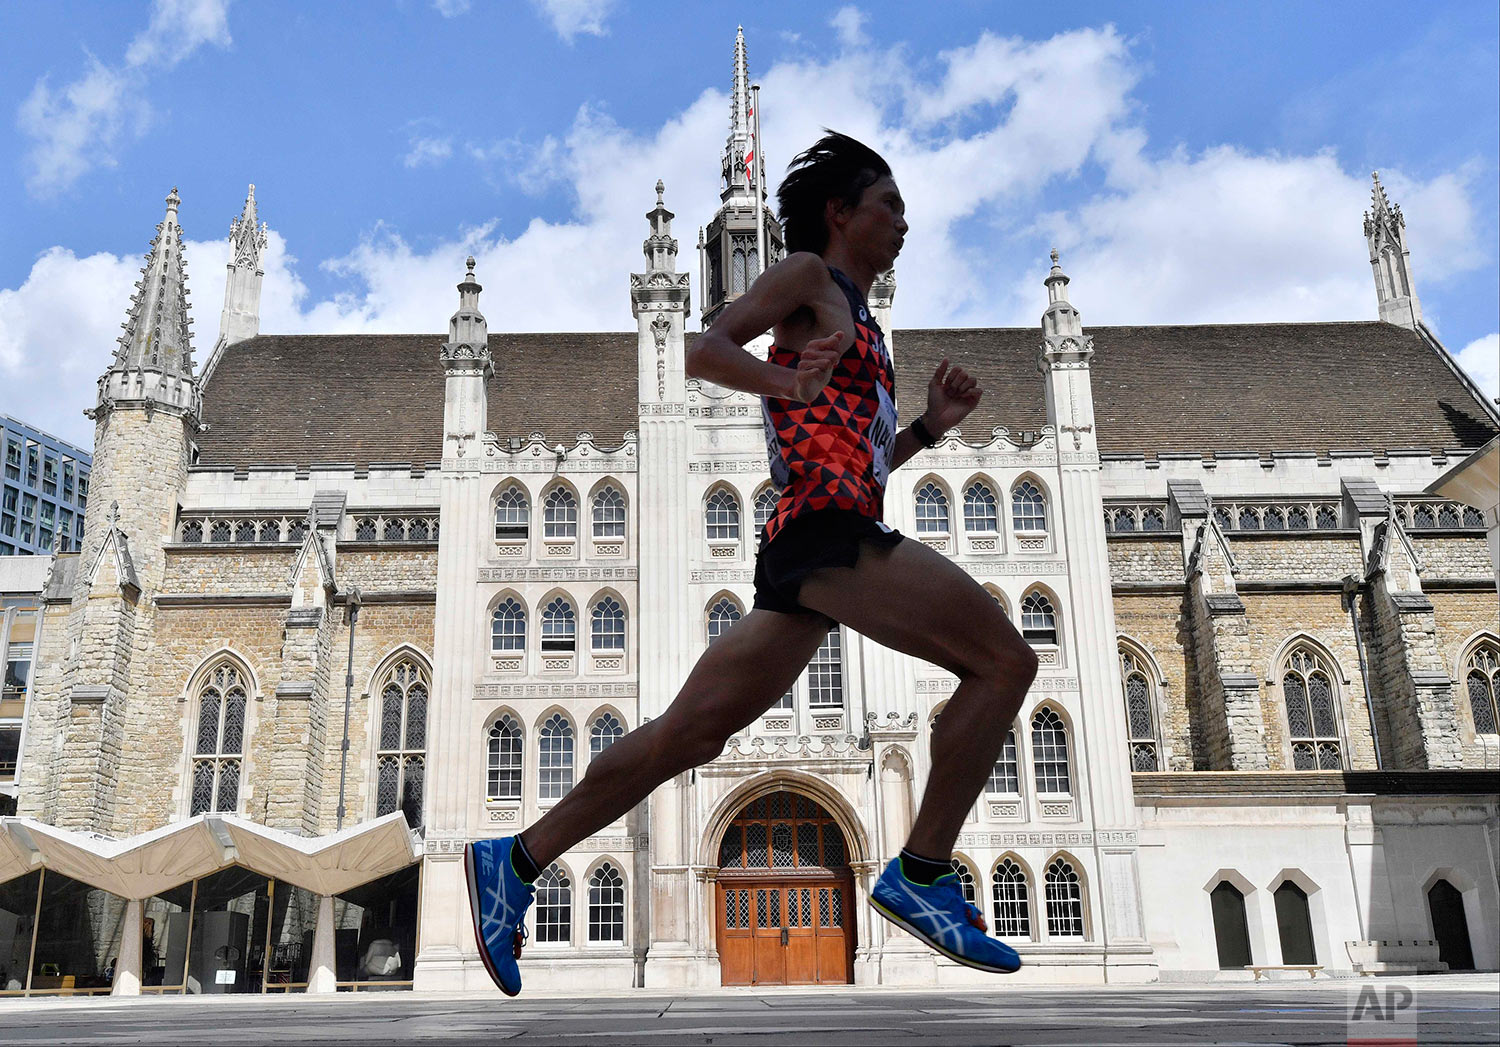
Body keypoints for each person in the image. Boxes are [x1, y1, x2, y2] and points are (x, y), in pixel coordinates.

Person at [467, 131, 1038, 995]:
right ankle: (922, 869)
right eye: (890, 205)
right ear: (841, 212)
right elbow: (700, 349)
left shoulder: (867, 327)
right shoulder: (812, 277)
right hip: (824, 535)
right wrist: (788, 386)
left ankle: (514, 856)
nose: (904, 223)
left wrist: (925, 429)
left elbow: (862, 458)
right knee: (1004, 659)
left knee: (689, 734)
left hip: (813, 543)